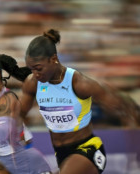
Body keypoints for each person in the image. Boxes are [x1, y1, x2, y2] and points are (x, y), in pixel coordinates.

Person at [20, 29, 140, 174]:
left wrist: (135, 139)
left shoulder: (80, 83)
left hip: (88, 149)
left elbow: (125, 108)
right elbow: (18, 115)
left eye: (38, 69)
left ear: (53, 59)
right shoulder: (32, 83)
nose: (35, 74)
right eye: (31, 69)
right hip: (61, 154)